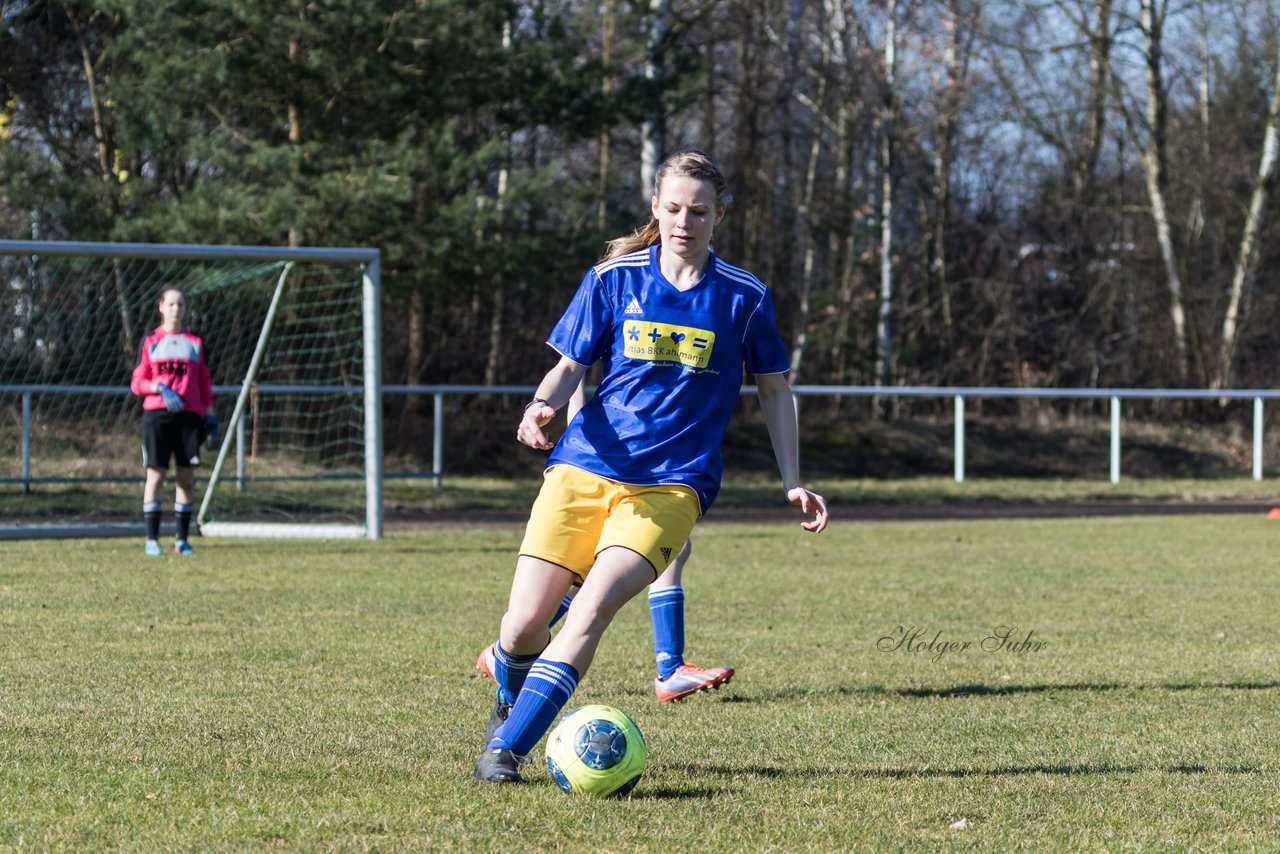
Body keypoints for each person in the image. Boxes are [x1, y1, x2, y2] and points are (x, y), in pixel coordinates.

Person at [474, 148, 828, 784]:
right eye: (672, 209)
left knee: (589, 611)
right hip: (583, 469)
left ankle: (505, 752)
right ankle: (510, 678)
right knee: (525, 623)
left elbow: (774, 389)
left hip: (671, 487)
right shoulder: (613, 279)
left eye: (698, 210)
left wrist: (792, 480)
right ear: (655, 210)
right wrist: (539, 407)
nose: (683, 222)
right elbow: (569, 367)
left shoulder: (744, 298)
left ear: (720, 214)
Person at [476, 384, 736, 704]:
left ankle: (506, 648)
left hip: (647, 466)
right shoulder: (608, 337)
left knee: (643, 561)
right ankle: (669, 669)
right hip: (603, 468)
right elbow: (576, 384)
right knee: (586, 576)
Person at [129, 288, 219, 557]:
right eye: (170, 304)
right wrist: (157, 387)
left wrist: (210, 416)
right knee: (156, 476)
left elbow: (203, 382)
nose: (175, 309)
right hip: (157, 416)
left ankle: (182, 540)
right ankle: (152, 540)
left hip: (189, 418)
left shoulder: (194, 342)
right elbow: (137, 383)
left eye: (180, 304)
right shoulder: (151, 342)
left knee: (186, 480)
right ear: (161, 307)